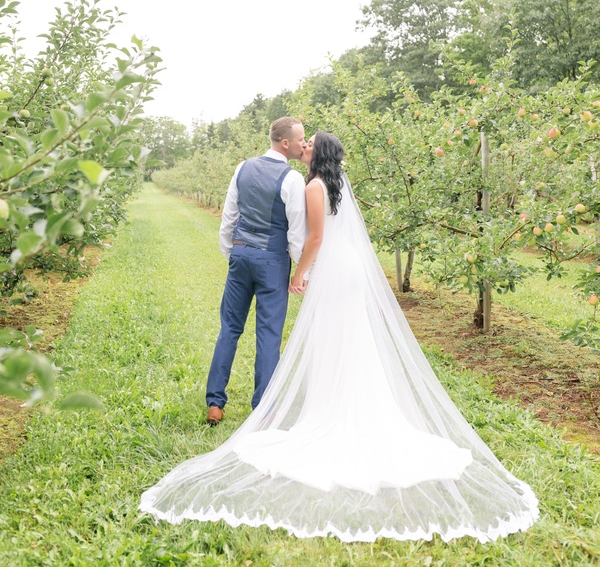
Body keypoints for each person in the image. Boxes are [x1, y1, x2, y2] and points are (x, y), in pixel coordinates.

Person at [140, 131, 539, 542]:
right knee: (340, 338)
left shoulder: (307, 183)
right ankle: (313, 403)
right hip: (343, 266)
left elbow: (310, 237)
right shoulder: (331, 183)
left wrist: (296, 271)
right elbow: (315, 232)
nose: (304, 145)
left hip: (316, 264)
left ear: (317, 152)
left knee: (316, 335)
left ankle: (275, 405)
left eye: (310, 142)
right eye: (302, 139)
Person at [205, 117, 307, 426]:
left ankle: (215, 403)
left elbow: (229, 216)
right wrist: (300, 272)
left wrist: (232, 252)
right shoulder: (292, 179)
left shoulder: (242, 168)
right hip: (272, 262)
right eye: (301, 139)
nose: (304, 144)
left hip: (241, 255)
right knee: (268, 335)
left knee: (230, 328)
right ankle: (263, 409)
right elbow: (296, 235)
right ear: (285, 143)